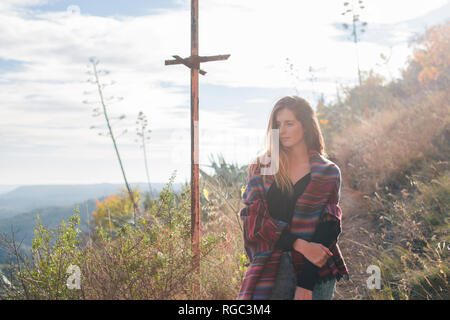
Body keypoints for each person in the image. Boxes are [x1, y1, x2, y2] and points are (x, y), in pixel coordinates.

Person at [237, 96, 350, 300]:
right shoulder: (262, 168)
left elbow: (328, 227)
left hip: (315, 274)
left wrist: (305, 285)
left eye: (289, 123)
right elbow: (254, 222)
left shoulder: (328, 172)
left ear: (305, 126)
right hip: (270, 270)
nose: (282, 131)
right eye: (278, 125)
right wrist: (300, 245)